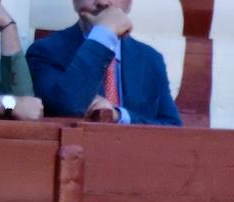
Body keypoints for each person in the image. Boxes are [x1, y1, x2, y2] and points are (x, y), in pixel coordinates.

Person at [26, 0, 180, 126]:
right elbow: (68, 106)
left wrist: (120, 116)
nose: (103, 2)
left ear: (130, 2)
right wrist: (104, 34)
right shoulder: (45, 51)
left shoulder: (150, 59)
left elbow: (173, 127)